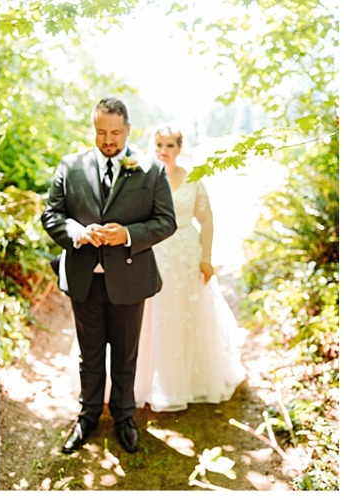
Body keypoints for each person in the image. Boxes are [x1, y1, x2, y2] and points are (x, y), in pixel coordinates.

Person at [39, 97, 177, 454]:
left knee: (125, 355)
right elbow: (52, 216)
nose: (108, 140)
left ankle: (124, 418)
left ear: (128, 130)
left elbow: (166, 222)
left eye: (115, 132)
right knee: (89, 355)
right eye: (101, 132)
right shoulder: (70, 166)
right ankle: (86, 417)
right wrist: (76, 233)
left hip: (130, 279)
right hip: (84, 278)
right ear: (94, 129)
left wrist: (127, 235)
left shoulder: (151, 170)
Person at [135, 125, 248, 412]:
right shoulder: (143, 178)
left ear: (179, 149)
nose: (163, 150)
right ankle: (148, 380)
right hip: (154, 252)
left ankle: (188, 382)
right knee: (151, 315)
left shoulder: (193, 179)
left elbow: (207, 220)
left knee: (185, 314)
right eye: (159, 144)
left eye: (170, 145)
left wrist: (205, 258)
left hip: (185, 253)